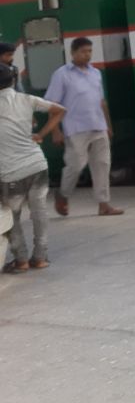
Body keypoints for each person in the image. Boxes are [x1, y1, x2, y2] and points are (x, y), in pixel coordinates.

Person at [46, 37, 123, 217]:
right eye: (83, 51)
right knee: (76, 165)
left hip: (98, 125)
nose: (87, 55)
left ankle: (104, 204)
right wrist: (55, 131)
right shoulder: (62, 74)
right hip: (75, 128)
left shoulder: (95, 73)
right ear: (73, 53)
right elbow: (53, 105)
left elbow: (101, 102)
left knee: (102, 165)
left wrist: (108, 125)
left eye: (89, 51)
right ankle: (63, 194)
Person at [0, 63, 64, 272]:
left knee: (12, 216)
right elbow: (59, 111)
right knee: (39, 212)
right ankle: (41, 257)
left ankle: (21, 260)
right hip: (37, 165)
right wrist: (40, 135)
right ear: (13, 80)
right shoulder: (27, 99)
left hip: (10, 171)